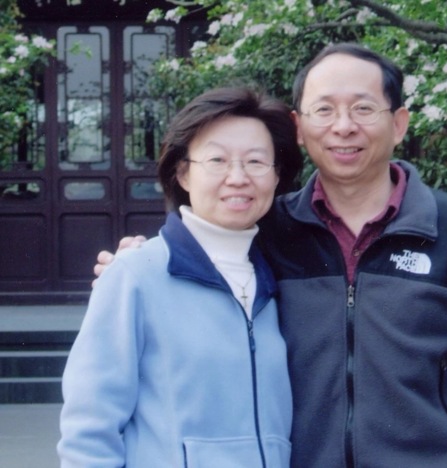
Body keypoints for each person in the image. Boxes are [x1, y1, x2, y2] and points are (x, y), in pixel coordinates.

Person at [95, 43, 447, 467]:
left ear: (399, 123)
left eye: (363, 108)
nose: (343, 126)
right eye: (324, 110)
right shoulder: (264, 233)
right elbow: (192, 264)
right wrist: (134, 266)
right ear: (299, 127)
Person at [58, 87, 304, 468]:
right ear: (183, 173)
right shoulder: (135, 275)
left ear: (276, 176)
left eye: (256, 161)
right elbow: (88, 432)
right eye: (217, 160)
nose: (238, 177)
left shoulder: (278, 277)